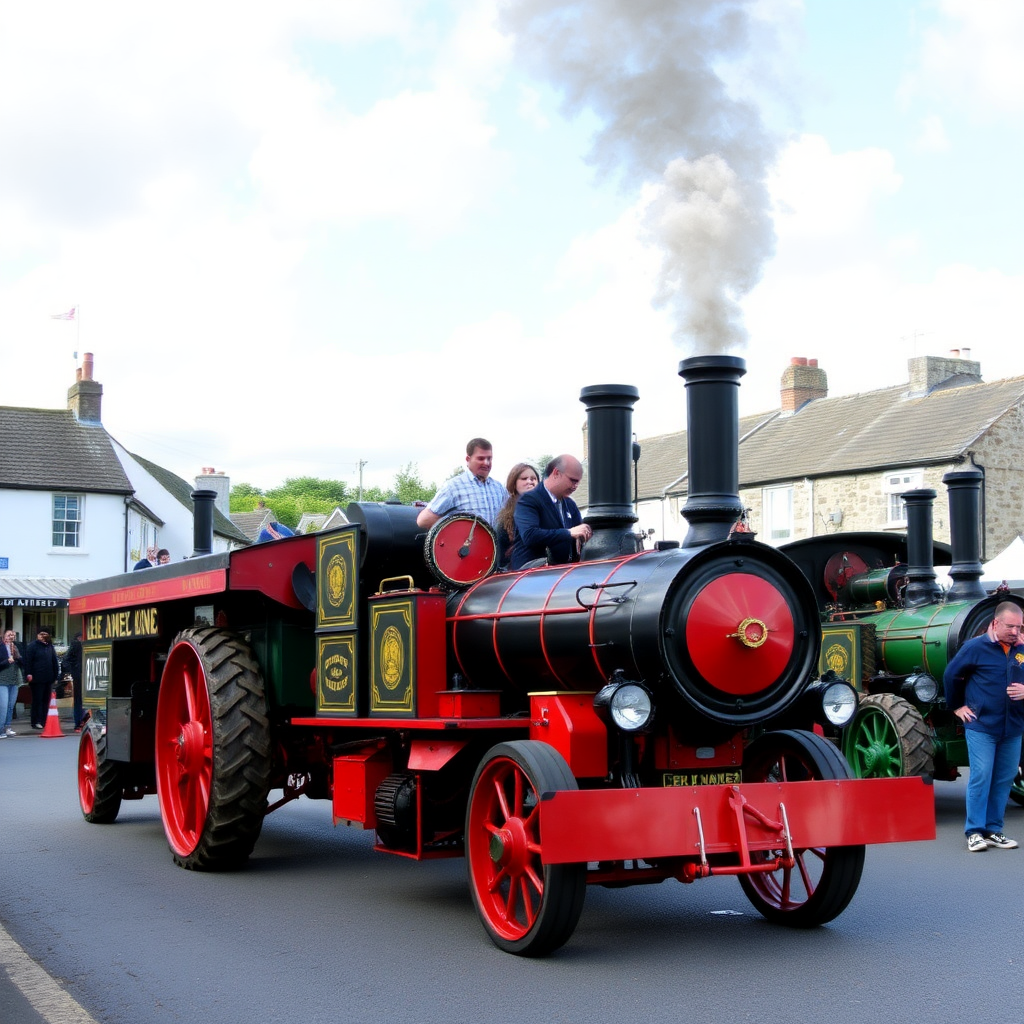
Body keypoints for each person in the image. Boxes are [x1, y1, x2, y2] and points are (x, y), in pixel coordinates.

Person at [944, 601, 1024, 852]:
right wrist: (957, 707)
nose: (1015, 632)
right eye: (1010, 626)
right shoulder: (975, 647)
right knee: (981, 776)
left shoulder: (1022, 649)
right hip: (982, 727)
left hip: (1013, 728)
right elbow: (951, 675)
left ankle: (993, 830)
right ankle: (974, 832)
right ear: (995, 623)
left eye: (1020, 627)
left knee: (1003, 779)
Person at [511, 455, 592, 570]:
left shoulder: (570, 505)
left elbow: (579, 534)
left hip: (560, 572)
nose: (575, 486)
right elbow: (530, 535)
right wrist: (568, 533)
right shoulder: (527, 501)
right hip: (529, 574)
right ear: (556, 473)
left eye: (578, 482)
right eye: (572, 480)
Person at [416, 438, 507, 530]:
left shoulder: (499, 488)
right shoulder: (453, 487)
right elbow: (423, 521)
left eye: (489, 458)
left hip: (496, 544)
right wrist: (456, 528)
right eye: (481, 458)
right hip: (465, 544)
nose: (486, 463)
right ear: (468, 459)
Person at [494, 462, 539, 569]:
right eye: (524, 479)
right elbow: (501, 563)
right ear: (514, 484)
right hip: (518, 576)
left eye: (533, 479)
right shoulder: (505, 522)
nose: (530, 482)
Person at [23, 629, 61, 731]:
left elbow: (54, 662)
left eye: (45, 634)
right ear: (37, 635)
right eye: (41, 634)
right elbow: (27, 661)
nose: (42, 636)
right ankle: (36, 721)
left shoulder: (49, 646)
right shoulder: (32, 646)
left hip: (48, 678)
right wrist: (28, 674)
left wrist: (56, 676)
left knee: (46, 700)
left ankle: (44, 721)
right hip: (36, 678)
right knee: (37, 700)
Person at [0, 630, 23, 738]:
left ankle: (7, 727)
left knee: (10, 706)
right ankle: (0, 730)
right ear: (4, 636)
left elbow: (23, 662)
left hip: (14, 681)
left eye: (13, 635)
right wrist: (6, 661)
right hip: (2, 681)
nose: (11, 637)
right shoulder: (1, 647)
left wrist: (17, 657)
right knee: (3, 706)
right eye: (9, 635)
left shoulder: (16, 647)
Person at [64, 631, 84, 731]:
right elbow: (66, 660)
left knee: (80, 700)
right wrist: (73, 670)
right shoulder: (76, 646)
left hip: (80, 674)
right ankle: (79, 722)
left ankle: (80, 722)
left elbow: (66, 660)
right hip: (79, 674)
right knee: (80, 700)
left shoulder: (76, 646)